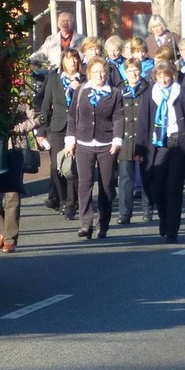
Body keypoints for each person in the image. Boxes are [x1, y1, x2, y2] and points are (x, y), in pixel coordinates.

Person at [141, 60, 185, 243]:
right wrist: (140, 148)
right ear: (155, 77)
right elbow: (144, 123)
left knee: (173, 188)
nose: (164, 80)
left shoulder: (181, 92)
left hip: (178, 143)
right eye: (160, 76)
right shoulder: (150, 94)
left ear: (172, 76)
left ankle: (172, 229)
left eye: (167, 76)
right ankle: (164, 218)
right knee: (157, 187)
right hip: (158, 144)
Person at [65, 56, 123, 239]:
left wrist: (117, 140)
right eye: (96, 71)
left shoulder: (114, 94)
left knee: (106, 185)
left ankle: (103, 223)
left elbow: (118, 118)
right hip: (84, 143)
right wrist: (70, 140)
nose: (100, 75)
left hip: (106, 144)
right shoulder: (81, 91)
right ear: (89, 73)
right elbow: (72, 117)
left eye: (102, 71)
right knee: (85, 184)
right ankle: (86, 223)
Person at [36, 48, 82, 219]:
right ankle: (62, 199)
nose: (73, 62)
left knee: (72, 167)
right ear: (63, 61)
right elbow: (45, 106)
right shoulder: (54, 79)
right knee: (56, 167)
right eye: (69, 59)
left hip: (78, 128)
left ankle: (71, 204)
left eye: (75, 59)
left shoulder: (83, 80)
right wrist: (41, 131)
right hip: (57, 127)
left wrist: (78, 89)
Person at [117, 57, 149, 225]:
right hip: (125, 138)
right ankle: (124, 213)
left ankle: (147, 209)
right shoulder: (120, 89)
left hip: (143, 139)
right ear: (125, 72)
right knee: (125, 178)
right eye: (130, 70)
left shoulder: (148, 88)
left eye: (136, 70)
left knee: (146, 176)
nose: (133, 74)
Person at [0, 142, 27, 253]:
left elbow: (36, 123)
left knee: (12, 195)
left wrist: (17, 128)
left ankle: (10, 239)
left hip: (14, 148)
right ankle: (3, 231)